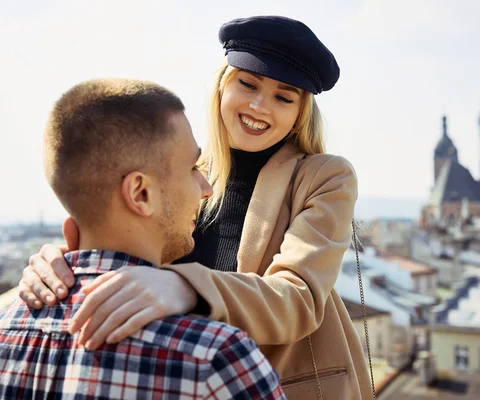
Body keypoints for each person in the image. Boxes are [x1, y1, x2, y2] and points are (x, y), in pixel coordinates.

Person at [19, 16, 372, 399]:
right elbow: (119, 236)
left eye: (283, 97)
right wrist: (58, 263)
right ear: (222, 86)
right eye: (248, 84)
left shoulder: (325, 175)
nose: (259, 106)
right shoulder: (184, 175)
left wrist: (185, 285)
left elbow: (298, 299)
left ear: (299, 114)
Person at [1, 79, 285, 400]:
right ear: (141, 193)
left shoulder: (6, 330)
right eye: (192, 167)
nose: (206, 189)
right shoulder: (215, 360)